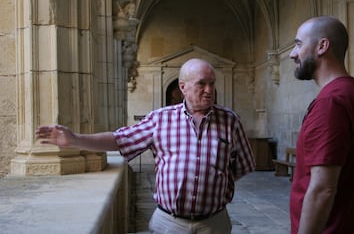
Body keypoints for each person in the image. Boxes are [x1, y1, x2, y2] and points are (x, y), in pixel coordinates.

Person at [36, 58, 255, 234]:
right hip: (169, 224)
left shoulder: (230, 120)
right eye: (201, 83)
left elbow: (243, 165)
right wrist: (75, 139)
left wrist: (215, 177)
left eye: (212, 83)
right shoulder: (160, 119)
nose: (209, 90)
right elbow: (119, 139)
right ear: (183, 87)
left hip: (214, 224)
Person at [288, 16, 354, 234]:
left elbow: (322, 189)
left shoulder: (330, 103)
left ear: (322, 46)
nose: (293, 53)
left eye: (299, 44)